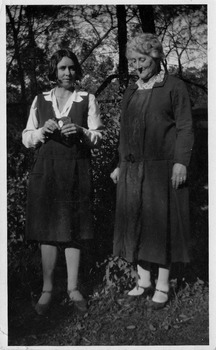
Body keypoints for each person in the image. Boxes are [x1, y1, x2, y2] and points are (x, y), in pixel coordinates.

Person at [110, 33, 194, 309]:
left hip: (163, 168)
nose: (137, 65)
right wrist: (120, 164)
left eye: (142, 59)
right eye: (132, 61)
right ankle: (143, 280)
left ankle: (162, 284)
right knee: (137, 223)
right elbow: (125, 133)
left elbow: (185, 127)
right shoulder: (132, 90)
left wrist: (181, 161)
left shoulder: (174, 86)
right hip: (133, 169)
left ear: (156, 56)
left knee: (161, 225)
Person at [22, 49, 103, 315]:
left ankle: (72, 287)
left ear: (77, 70)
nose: (67, 73)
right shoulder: (40, 99)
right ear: (54, 71)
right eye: (61, 68)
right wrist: (40, 132)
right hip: (46, 170)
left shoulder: (87, 98)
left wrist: (81, 131)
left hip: (76, 169)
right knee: (47, 230)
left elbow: (98, 137)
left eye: (71, 68)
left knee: (74, 230)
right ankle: (47, 289)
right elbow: (26, 136)